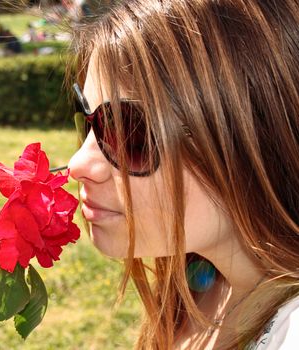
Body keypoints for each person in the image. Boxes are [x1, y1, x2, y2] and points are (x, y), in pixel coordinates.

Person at [67, 0, 299, 349]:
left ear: (252, 139)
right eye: (88, 119)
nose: (77, 165)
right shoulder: (198, 282)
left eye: (131, 132)